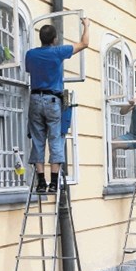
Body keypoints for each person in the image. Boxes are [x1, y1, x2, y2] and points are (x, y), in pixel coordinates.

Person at [25, 17, 90, 192]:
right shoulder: (57, 52)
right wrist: (86, 25)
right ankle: (54, 183)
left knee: (38, 140)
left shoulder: (30, 54)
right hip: (52, 100)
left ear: (41, 38)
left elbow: (29, 70)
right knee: (55, 139)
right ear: (54, 40)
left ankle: (40, 182)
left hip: (35, 100)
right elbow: (84, 43)